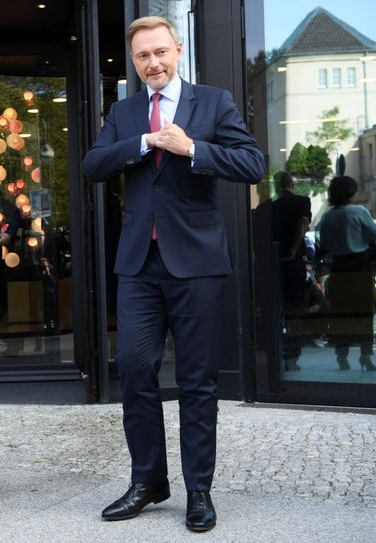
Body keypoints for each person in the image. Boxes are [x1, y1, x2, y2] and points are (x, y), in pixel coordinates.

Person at [82, 16, 265, 531]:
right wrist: (145, 141)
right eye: (143, 56)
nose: (153, 63)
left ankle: (199, 490)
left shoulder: (214, 102)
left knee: (197, 381)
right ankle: (148, 481)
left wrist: (193, 150)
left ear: (178, 49)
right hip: (139, 263)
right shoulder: (123, 111)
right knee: (136, 370)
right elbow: (93, 165)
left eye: (160, 52)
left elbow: (253, 163)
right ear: (134, 61)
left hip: (197, 264)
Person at [317, 175, 376, 372]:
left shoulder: (328, 215)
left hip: (339, 267)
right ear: (351, 192)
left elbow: (324, 244)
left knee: (341, 314)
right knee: (364, 313)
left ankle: (342, 357)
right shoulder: (359, 211)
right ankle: (365, 356)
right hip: (360, 266)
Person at [271, 171, 312, 372]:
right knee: (295, 309)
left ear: (278, 186)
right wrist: (295, 249)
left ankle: (277, 355)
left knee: (275, 309)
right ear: (292, 184)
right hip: (293, 261)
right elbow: (302, 223)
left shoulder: (270, 207)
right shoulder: (302, 202)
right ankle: (293, 357)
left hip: (273, 262)